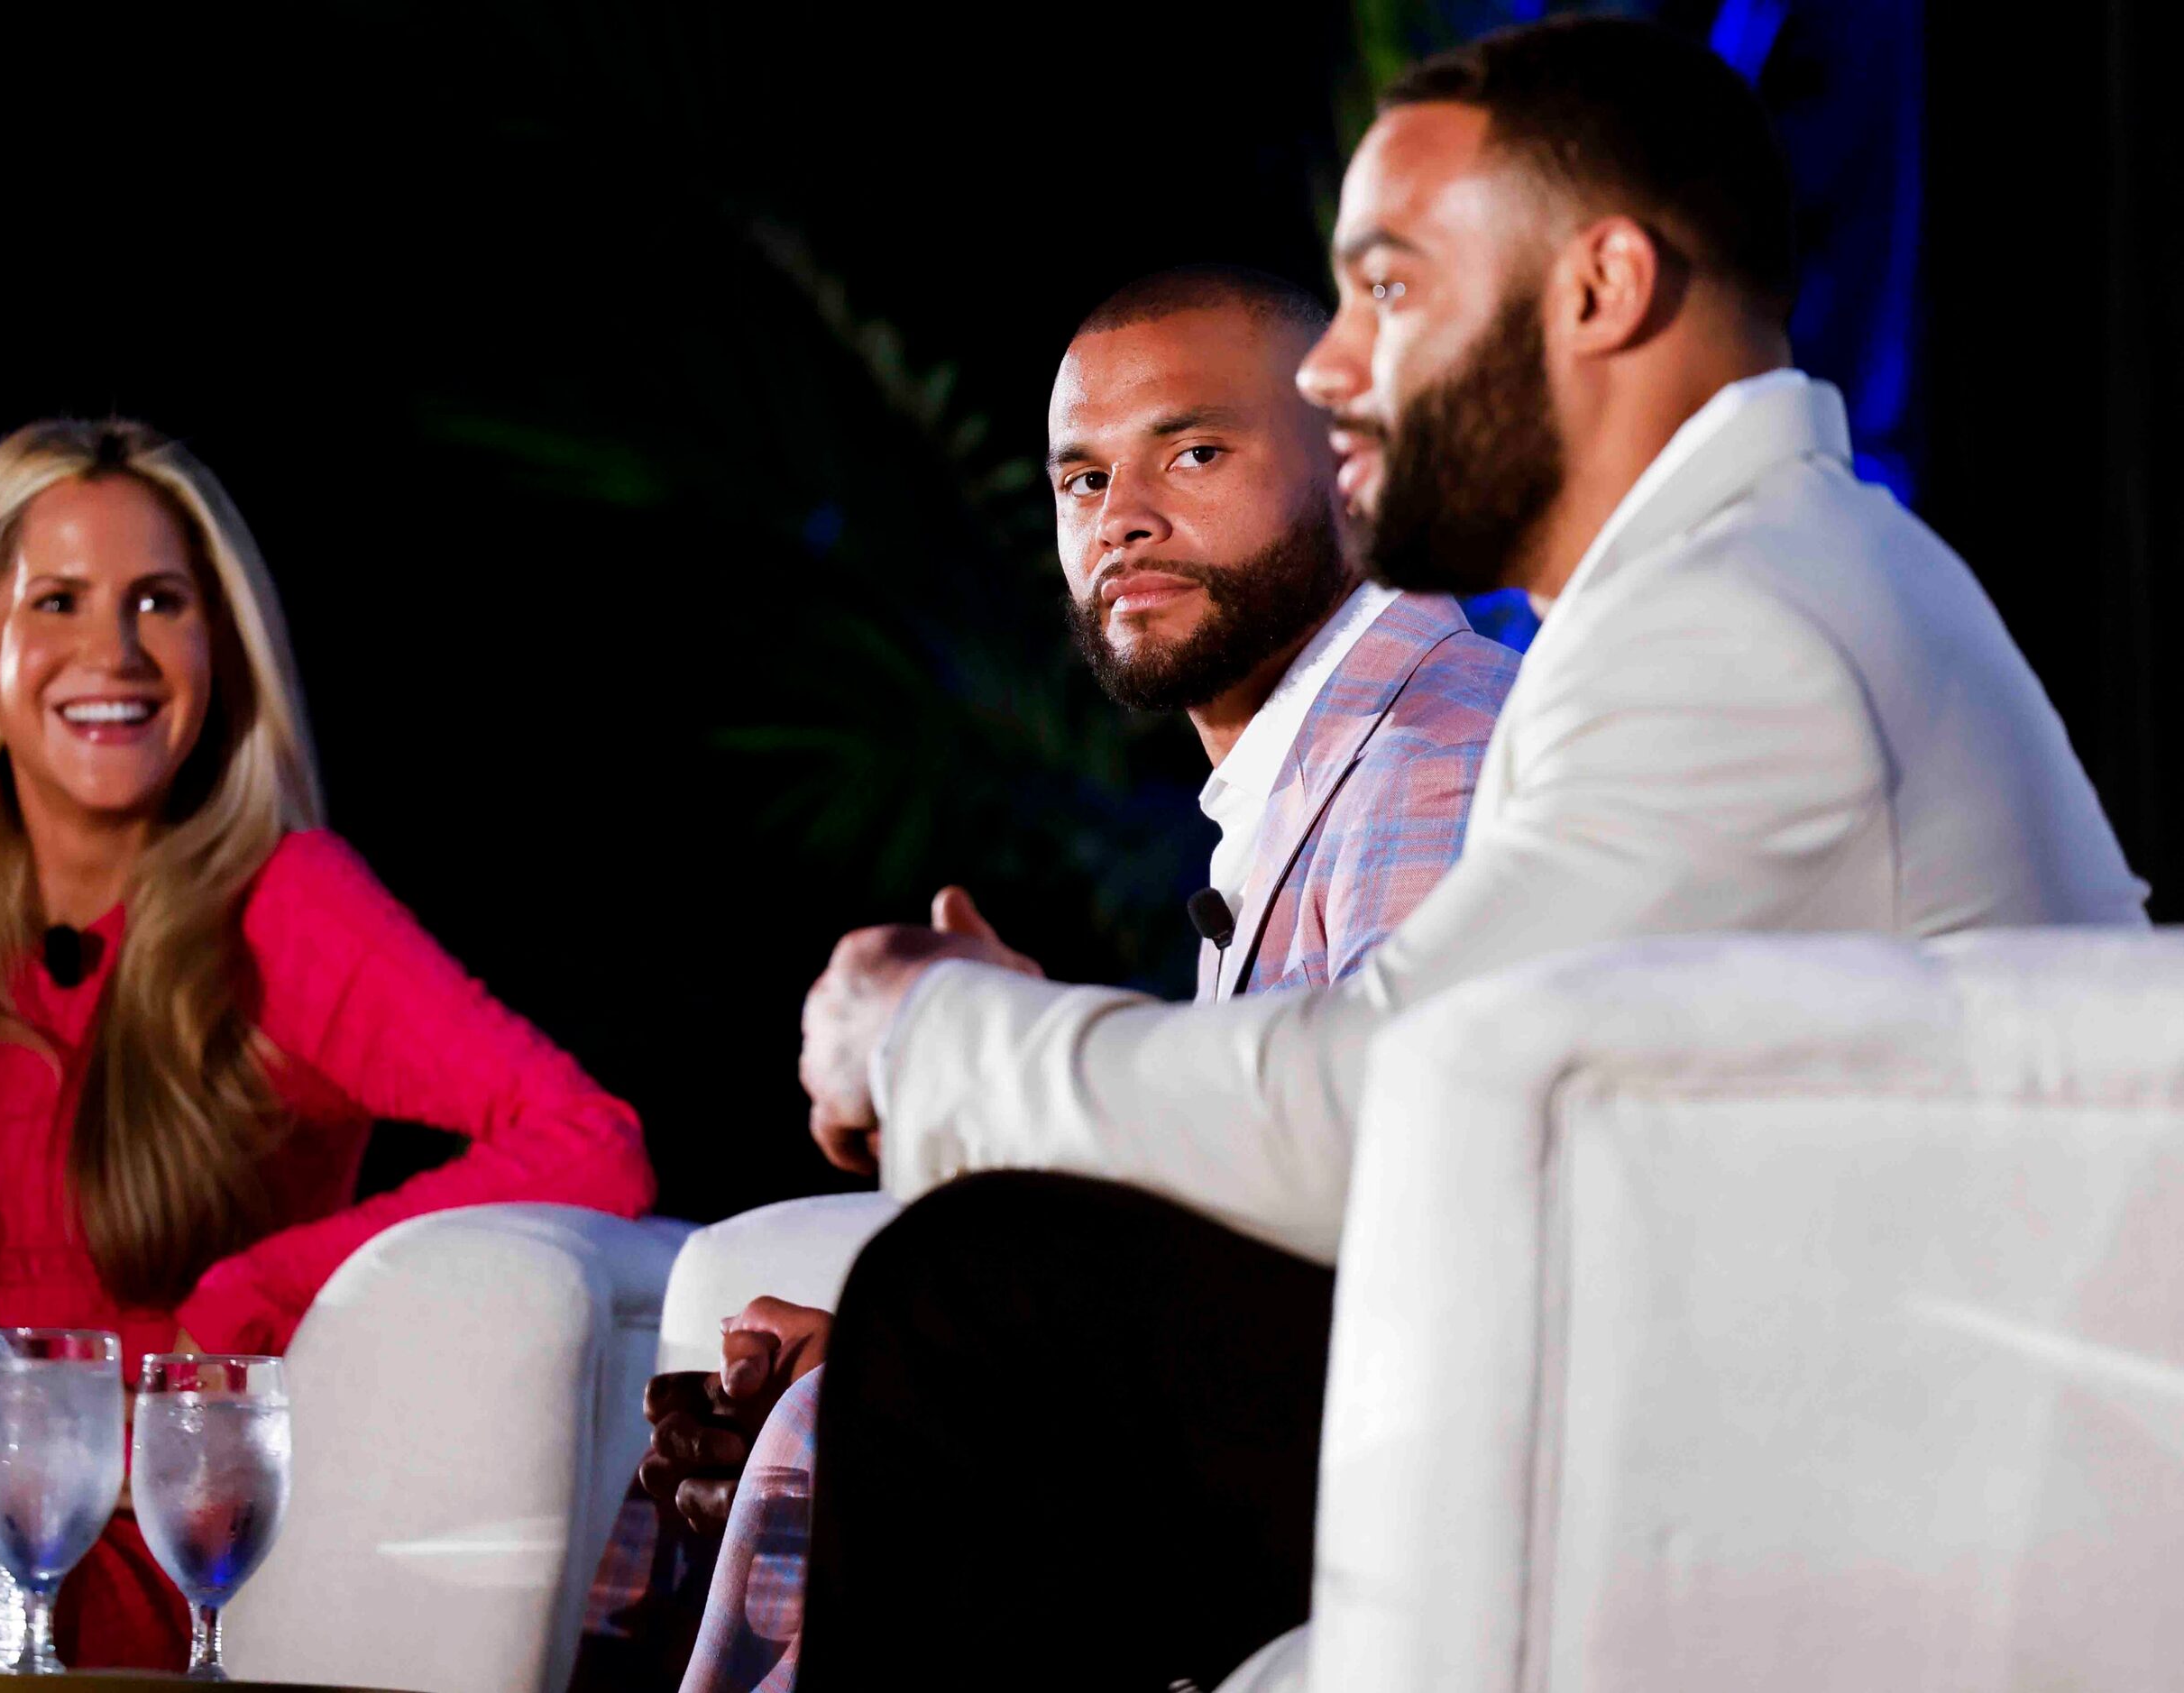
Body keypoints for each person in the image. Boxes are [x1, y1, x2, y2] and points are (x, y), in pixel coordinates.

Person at [788, 17, 2149, 1688]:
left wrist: (921, 1028)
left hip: (1838, 1474)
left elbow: (1397, 1109)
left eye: (1393, 291)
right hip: (1751, 1402)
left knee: (993, 1302)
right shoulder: (1733, 584)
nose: (1338, 368)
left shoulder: (1744, 627)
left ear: (1601, 290)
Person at [593, 268, 1519, 1692]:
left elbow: (1399, 1222)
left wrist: (987, 1058)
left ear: (1356, 470)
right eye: (1081, 478)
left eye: (1193, 453)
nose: (1122, 518)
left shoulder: (1431, 751)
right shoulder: (1314, 773)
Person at [0, 418, 656, 1670]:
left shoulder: (286, 907)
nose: (117, 651)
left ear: (217, 651)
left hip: (151, 1559)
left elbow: (591, 1142)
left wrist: (255, 1293)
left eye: (159, 601)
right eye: (61, 600)